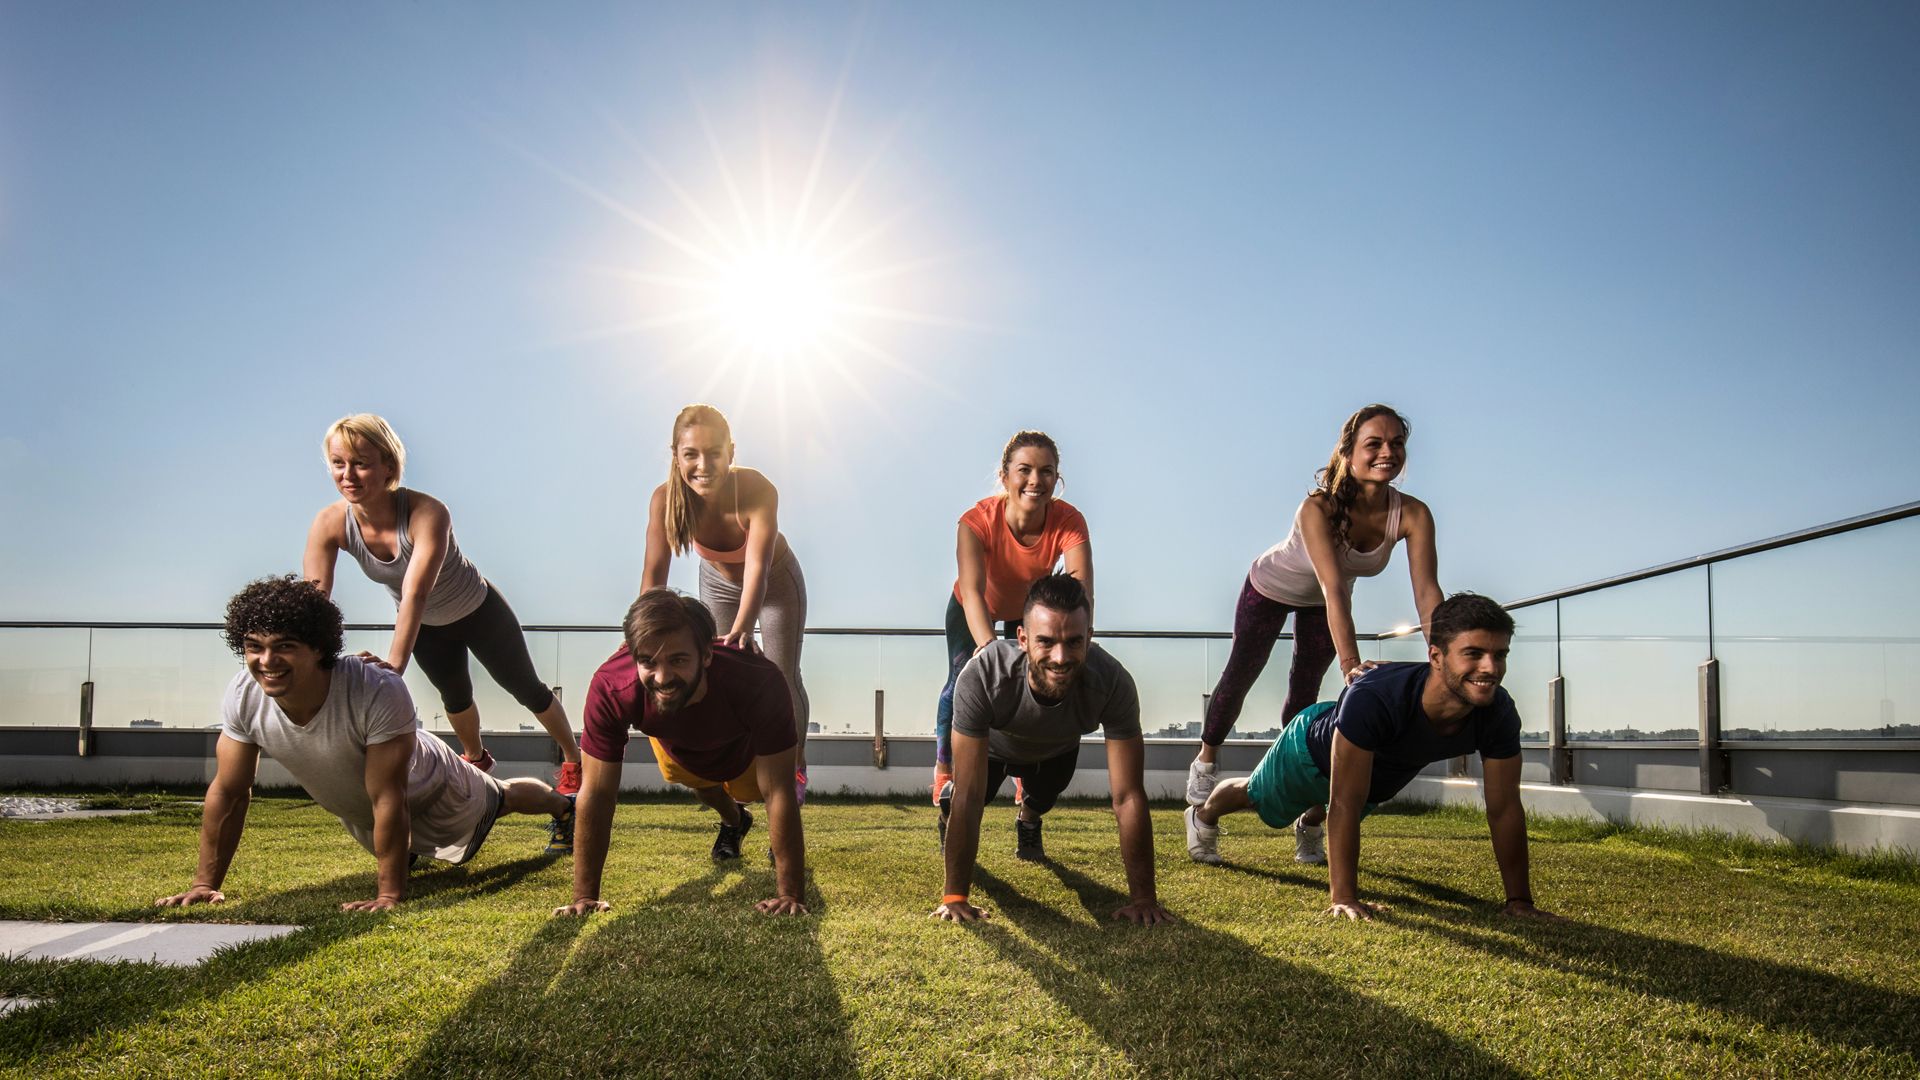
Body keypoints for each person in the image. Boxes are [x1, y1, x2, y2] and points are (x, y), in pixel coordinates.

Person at [156, 576, 575, 913]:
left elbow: (389, 793)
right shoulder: (243, 695)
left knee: (501, 797)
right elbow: (229, 792)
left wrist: (389, 895)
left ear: (319, 647)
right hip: (366, 812)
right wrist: (204, 885)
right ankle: (406, 851)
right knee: (395, 835)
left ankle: (564, 808)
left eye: (284, 646)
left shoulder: (375, 688)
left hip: (433, 783)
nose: (267, 661)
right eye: (254, 647)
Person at [1184, 592, 1562, 922]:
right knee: (1258, 796)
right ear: (1436, 656)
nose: (1490, 668)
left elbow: (1504, 808)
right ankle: (1203, 815)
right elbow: (1344, 803)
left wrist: (1519, 901)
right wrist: (1344, 898)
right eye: (1473, 654)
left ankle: (1310, 825)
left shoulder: (1497, 711)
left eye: (1500, 655)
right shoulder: (1377, 697)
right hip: (1309, 750)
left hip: (1373, 777)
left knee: (1337, 798)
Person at [1187, 404, 1442, 865]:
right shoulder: (1318, 508)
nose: (1388, 452)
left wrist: (1443, 656)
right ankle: (1206, 758)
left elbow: (1427, 592)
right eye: (1374, 444)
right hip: (1272, 586)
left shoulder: (1413, 515)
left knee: (1303, 697)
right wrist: (1351, 666)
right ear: (1348, 452)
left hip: (1325, 600)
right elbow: (1332, 590)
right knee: (1242, 672)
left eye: (1397, 444)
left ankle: (1299, 800)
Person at [303, 414, 584, 794]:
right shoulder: (330, 524)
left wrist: (393, 668)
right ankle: (477, 762)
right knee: (454, 697)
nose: (348, 475)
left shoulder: (428, 513)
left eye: (361, 463)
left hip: (478, 611)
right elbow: (314, 598)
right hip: (427, 628)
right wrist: (308, 660)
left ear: (388, 466)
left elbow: (416, 592)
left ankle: (572, 760)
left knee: (526, 689)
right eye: (339, 463)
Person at [931, 573, 1171, 927]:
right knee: (967, 797)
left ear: (1089, 638)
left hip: (1056, 753)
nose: (1061, 657)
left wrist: (1144, 899)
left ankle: (1028, 819)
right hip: (993, 751)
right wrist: (955, 898)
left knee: (1043, 797)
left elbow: (1128, 796)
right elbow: (970, 794)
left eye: (1074, 642)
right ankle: (945, 813)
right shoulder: (982, 674)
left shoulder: (1112, 682)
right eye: (1046, 642)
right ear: (1023, 639)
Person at [554, 588, 809, 918]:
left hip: (744, 756)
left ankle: (758, 797)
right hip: (679, 752)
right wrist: (584, 896)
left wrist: (789, 894)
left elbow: (778, 790)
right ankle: (735, 821)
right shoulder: (612, 685)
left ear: (706, 655)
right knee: (699, 787)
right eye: (648, 662)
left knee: (758, 792)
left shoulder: (758, 679)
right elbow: (598, 792)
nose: (662, 677)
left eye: (677, 660)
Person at [642, 404, 812, 801]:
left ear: (731, 453)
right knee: (715, 671)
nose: (704, 465)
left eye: (714, 453)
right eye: (691, 454)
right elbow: (654, 579)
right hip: (716, 582)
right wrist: (642, 640)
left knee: (780, 675)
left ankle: (794, 768)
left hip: (776, 584)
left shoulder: (757, 489)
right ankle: (732, 763)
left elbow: (758, 569)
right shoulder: (665, 499)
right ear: (675, 456)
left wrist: (742, 626)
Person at [934, 430, 1093, 805]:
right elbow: (973, 591)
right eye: (1025, 470)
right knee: (963, 680)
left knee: (1031, 681)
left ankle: (1025, 767)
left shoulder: (1070, 520)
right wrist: (988, 647)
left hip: (1028, 610)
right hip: (974, 606)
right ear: (1005, 476)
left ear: (1057, 478)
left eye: (1047, 471)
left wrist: (1081, 638)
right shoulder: (975, 521)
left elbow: (1081, 592)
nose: (1036, 480)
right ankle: (945, 767)